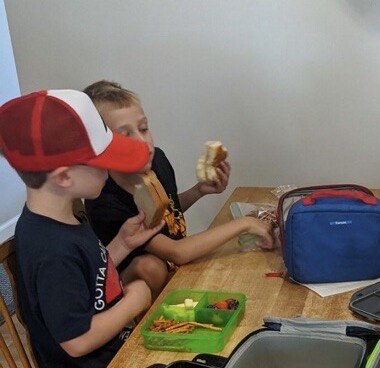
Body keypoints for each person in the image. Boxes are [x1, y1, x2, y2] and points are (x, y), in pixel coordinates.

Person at [0, 88, 161, 368]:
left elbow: (88, 281)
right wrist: (135, 300)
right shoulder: (52, 250)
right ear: (63, 176)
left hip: (116, 361)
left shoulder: (63, 218)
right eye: (102, 163)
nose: (109, 171)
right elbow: (76, 340)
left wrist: (122, 244)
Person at [82, 80, 274, 297]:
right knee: (149, 265)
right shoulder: (106, 202)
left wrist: (198, 191)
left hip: (174, 267)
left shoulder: (158, 161)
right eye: (126, 135)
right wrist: (244, 223)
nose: (142, 141)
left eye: (144, 128)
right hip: (135, 284)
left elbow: (167, 212)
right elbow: (178, 252)